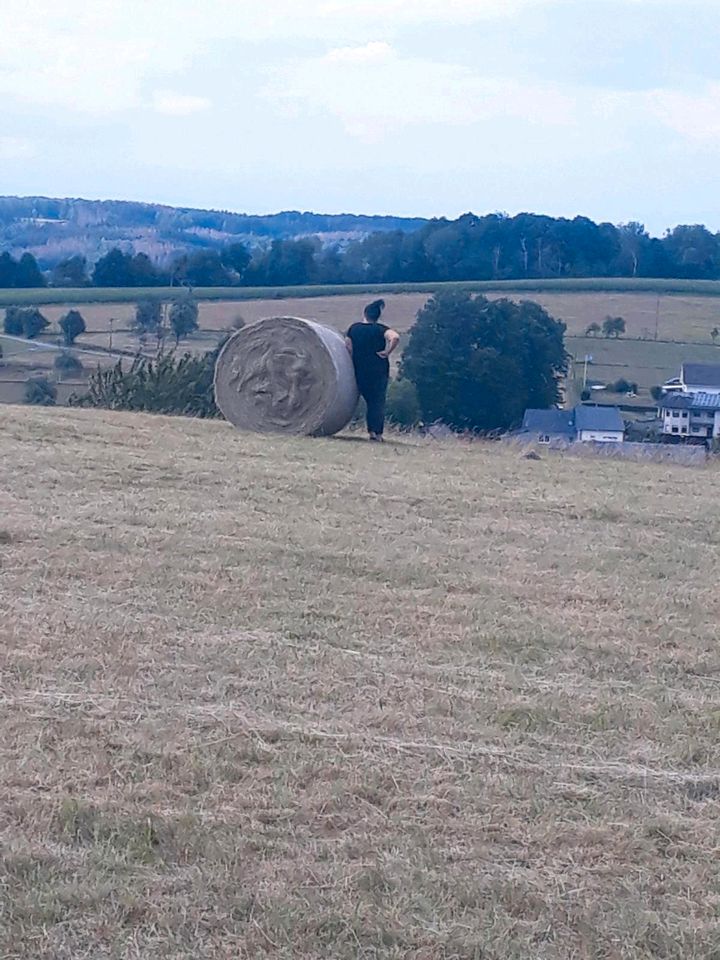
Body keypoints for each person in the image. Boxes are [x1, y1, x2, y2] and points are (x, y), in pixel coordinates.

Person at [345, 299, 400, 441]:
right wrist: (387, 352)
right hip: (378, 369)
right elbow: (395, 337)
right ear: (377, 317)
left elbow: (348, 346)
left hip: (360, 368)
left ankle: (372, 432)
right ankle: (376, 433)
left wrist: (351, 362)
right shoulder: (381, 329)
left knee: (367, 399)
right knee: (377, 401)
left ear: (365, 314)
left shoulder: (354, 328)